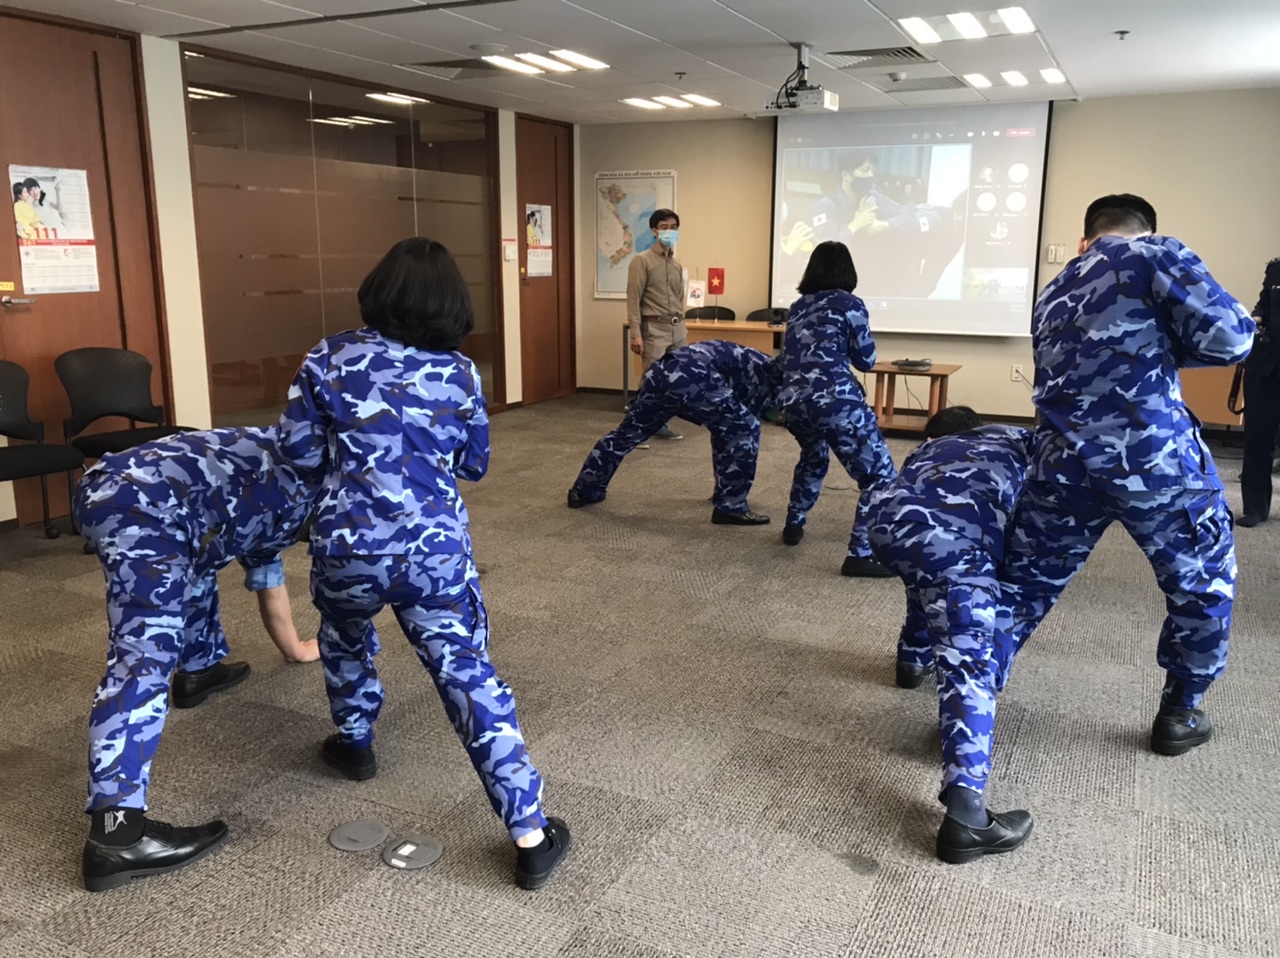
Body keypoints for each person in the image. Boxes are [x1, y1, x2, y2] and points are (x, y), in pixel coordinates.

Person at [277, 236, 571, 891]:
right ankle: (529, 832)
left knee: (345, 634)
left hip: (346, 546)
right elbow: (475, 463)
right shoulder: (460, 374)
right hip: (432, 555)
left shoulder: (328, 357)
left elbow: (294, 453)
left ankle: (353, 742)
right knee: (468, 677)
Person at [997, 194, 1255, 758]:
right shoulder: (1154, 254)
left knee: (1019, 591)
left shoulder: (1055, 287)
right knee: (1203, 584)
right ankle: (1180, 713)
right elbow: (1233, 338)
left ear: (1085, 236)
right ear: (1146, 231)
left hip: (1061, 463)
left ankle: (971, 701)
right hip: (1155, 466)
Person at [74, 427, 322, 892]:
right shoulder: (301, 485)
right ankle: (117, 834)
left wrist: (295, 648)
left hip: (152, 494)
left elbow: (267, 572)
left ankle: (199, 669)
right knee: (142, 657)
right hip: (135, 504)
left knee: (202, 557)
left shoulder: (291, 477)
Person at [866, 406, 1034, 863]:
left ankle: (911, 657)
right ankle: (966, 817)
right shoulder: (1016, 438)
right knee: (969, 662)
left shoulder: (926, 450)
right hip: (957, 544)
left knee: (923, 577)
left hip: (883, 527)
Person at [567, 339, 781, 524]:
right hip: (693, 376)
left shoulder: (765, 366)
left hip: (661, 371)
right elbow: (737, 433)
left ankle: (584, 491)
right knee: (745, 428)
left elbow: (723, 430)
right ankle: (731, 507)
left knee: (627, 434)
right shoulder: (771, 380)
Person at [779, 240, 897, 577]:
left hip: (794, 404)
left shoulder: (798, 305)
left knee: (814, 456)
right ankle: (860, 555)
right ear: (848, 271)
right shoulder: (850, 304)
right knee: (880, 477)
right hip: (835, 401)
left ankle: (794, 522)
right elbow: (867, 360)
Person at [627, 208, 686, 440]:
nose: (669, 232)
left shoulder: (676, 264)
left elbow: (679, 298)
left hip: (677, 329)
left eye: (673, 227)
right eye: (664, 227)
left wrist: (682, 326)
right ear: (654, 231)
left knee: (674, 379)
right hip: (654, 328)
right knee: (651, 380)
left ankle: (659, 424)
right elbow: (633, 299)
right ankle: (634, 431)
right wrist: (635, 333)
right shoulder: (641, 261)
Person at [1238, 256, 1280, 527]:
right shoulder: (1276, 268)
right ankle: (1255, 508)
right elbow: (1264, 303)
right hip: (1267, 366)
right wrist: (1256, 317)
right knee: (1257, 439)